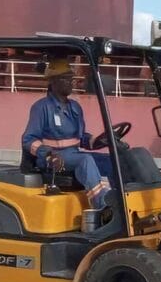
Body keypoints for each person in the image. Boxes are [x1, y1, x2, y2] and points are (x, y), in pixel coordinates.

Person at [21, 57, 112, 210]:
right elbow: (28, 139)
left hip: (73, 155)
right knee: (86, 161)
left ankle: (118, 200)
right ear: (53, 81)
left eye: (71, 78)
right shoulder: (41, 108)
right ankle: (102, 207)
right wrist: (48, 154)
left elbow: (81, 138)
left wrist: (99, 140)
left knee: (111, 161)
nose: (71, 81)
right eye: (66, 78)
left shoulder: (75, 107)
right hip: (52, 159)